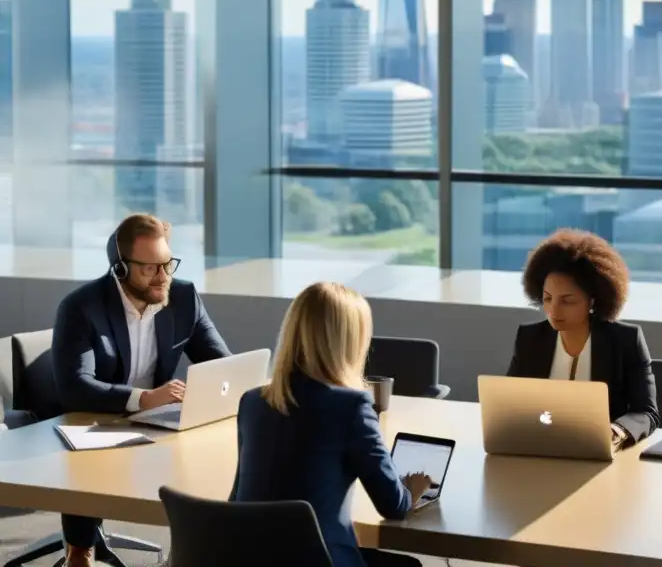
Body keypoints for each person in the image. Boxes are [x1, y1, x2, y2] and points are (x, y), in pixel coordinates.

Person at [52, 214, 231, 567]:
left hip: (156, 419)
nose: (163, 277)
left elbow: (221, 363)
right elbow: (76, 388)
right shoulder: (81, 308)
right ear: (120, 269)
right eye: (150, 268)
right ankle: (80, 550)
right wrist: (143, 398)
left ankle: (192, 553)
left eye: (167, 264)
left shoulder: (183, 297)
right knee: (88, 459)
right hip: (96, 419)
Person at [231, 282, 429, 567]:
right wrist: (413, 488)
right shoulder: (351, 407)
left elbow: (238, 498)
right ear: (351, 342)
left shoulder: (252, 402)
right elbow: (394, 506)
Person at [507, 229, 659, 448]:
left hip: (601, 456)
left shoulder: (625, 341)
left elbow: (646, 412)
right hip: (540, 449)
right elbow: (507, 403)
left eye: (568, 301)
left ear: (593, 301)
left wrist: (617, 431)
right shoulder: (529, 339)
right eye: (548, 299)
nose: (554, 310)